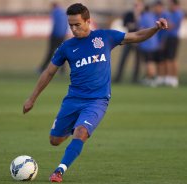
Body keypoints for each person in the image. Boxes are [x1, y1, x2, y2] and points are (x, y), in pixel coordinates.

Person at [23, 3, 167, 183]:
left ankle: (59, 171)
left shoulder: (105, 37)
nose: (74, 29)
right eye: (71, 25)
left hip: (97, 100)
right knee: (55, 140)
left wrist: (155, 28)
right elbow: (49, 72)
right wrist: (32, 98)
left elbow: (137, 35)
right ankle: (72, 127)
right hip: (73, 100)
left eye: (78, 24)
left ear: (88, 21)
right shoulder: (66, 47)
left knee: (82, 132)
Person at [114, 0, 144, 83]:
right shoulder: (129, 14)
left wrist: (134, 24)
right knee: (123, 59)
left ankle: (135, 79)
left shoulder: (143, 15)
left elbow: (144, 27)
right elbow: (125, 24)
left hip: (139, 41)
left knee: (138, 61)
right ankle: (118, 78)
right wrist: (134, 24)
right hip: (129, 39)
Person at [38, 1, 68, 74]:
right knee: (61, 52)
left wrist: (52, 34)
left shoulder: (55, 12)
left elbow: (55, 25)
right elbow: (65, 25)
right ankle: (63, 70)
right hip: (62, 35)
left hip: (55, 35)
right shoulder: (63, 13)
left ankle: (42, 68)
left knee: (50, 52)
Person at [138, 4, 162, 87]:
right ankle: (150, 78)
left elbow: (141, 30)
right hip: (154, 43)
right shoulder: (153, 16)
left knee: (149, 62)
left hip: (147, 43)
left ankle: (152, 79)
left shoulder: (143, 17)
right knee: (152, 61)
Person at [162, 0, 184, 87]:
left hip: (173, 38)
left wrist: (164, 24)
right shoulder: (169, 13)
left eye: (170, 5)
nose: (169, 6)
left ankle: (174, 78)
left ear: (175, 5)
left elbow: (170, 26)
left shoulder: (178, 13)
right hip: (168, 38)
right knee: (167, 58)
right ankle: (168, 77)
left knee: (172, 58)